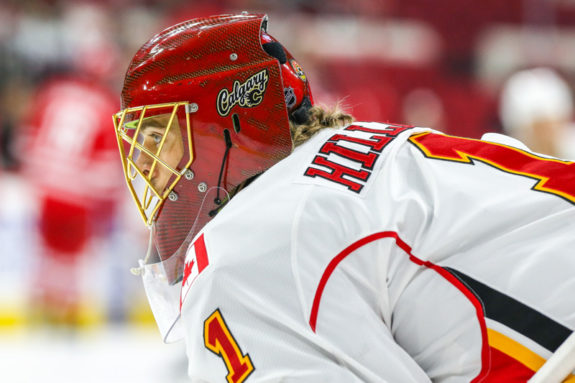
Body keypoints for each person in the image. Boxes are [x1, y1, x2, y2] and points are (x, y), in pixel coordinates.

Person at [113, 13, 575, 382]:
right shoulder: (365, 148)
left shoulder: (250, 244)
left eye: (157, 140)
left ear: (224, 130)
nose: (149, 169)